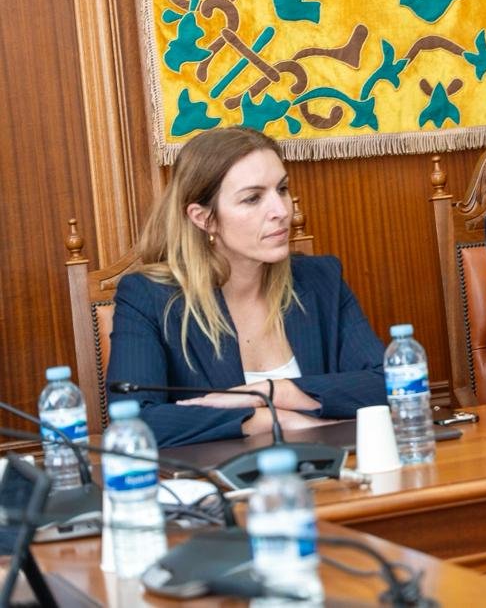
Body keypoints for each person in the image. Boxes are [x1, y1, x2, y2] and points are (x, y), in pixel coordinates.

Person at [106, 127, 387, 448]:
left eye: (281, 189)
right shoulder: (148, 297)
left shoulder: (321, 279)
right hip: (224, 488)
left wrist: (272, 391)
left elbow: (390, 383)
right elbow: (131, 421)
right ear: (204, 219)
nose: (281, 211)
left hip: (336, 479)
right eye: (253, 198)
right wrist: (269, 418)